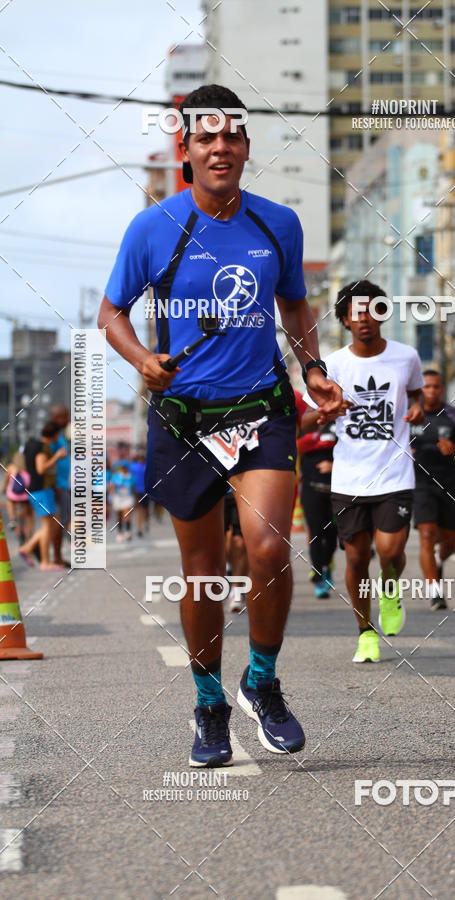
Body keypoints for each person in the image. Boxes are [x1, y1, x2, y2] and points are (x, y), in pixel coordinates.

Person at [98, 83, 343, 767]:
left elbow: (295, 306)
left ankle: (261, 682)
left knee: (268, 550)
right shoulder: (154, 229)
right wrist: (144, 359)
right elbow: (110, 313)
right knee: (203, 573)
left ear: (244, 145)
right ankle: (208, 703)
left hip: (260, 404)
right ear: (186, 148)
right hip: (182, 418)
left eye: (230, 136)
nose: (219, 148)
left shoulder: (277, 225)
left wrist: (314, 366)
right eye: (205, 138)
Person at [302, 280, 425, 663]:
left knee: (390, 551)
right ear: (344, 320)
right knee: (356, 558)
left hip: (394, 472)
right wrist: (323, 413)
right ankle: (365, 633)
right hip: (350, 476)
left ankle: (390, 590)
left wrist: (418, 406)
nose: (365, 319)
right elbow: (304, 418)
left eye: (373, 310)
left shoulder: (407, 357)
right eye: (356, 312)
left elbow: (417, 390)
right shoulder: (333, 365)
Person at [411, 370, 455, 610]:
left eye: (436, 387)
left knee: (449, 543)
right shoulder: (409, 414)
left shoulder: (453, 415)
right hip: (420, 483)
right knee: (427, 534)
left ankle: (439, 561)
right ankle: (435, 592)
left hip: (450, 482)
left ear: (442, 389)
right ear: (420, 389)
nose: (431, 391)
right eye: (426, 386)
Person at [295, 391, 337, 599]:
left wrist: (334, 465)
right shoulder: (303, 426)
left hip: (336, 489)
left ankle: (327, 564)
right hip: (310, 488)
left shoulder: (340, 424)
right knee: (315, 533)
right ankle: (319, 574)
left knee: (332, 535)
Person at [19, 421, 67, 570]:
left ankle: (27, 548)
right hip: (41, 490)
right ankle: (45, 561)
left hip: (40, 490)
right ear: (55, 434)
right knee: (48, 525)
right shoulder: (41, 448)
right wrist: (57, 456)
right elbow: (41, 469)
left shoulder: (34, 445)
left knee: (54, 521)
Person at [49, 405, 71, 567]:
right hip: (58, 486)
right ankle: (56, 556)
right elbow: (48, 460)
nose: (68, 419)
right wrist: (54, 484)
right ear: (56, 418)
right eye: (64, 417)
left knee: (62, 521)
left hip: (63, 484)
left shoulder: (60, 435)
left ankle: (57, 556)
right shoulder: (53, 436)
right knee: (58, 522)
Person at [224, 487, 249, 613]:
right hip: (215, 491)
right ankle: (228, 569)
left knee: (240, 541)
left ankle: (236, 591)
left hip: (241, 490)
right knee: (221, 541)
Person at [2, 452, 33, 544]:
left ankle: (12, 519)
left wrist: (3, 489)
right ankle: (30, 534)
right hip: (25, 496)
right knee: (29, 514)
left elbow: (6, 482)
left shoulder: (11, 467)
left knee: (9, 499)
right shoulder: (28, 468)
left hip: (14, 496)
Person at [110, 460, 135, 542]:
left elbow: (134, 488)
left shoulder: (130, 476)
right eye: (122, 467)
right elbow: (112, 486)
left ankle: (128, 532)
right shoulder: (116, 476)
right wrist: (112, 497)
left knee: (127, 514)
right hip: (118, 498)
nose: (124, 469)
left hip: (127, 498)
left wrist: (135, 499)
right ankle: (120, 533)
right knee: (119, 516)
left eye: (125, 467)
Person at [130, 451, 150, 538]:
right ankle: (139, 528)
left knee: (146, 510)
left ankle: (146, 523)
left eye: (143, 458)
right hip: (137, 491)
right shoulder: (133, 467)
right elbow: (130, 478)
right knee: (140, 510)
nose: (141, 459)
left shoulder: (147, 466)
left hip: (147, 491)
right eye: (140, 458)